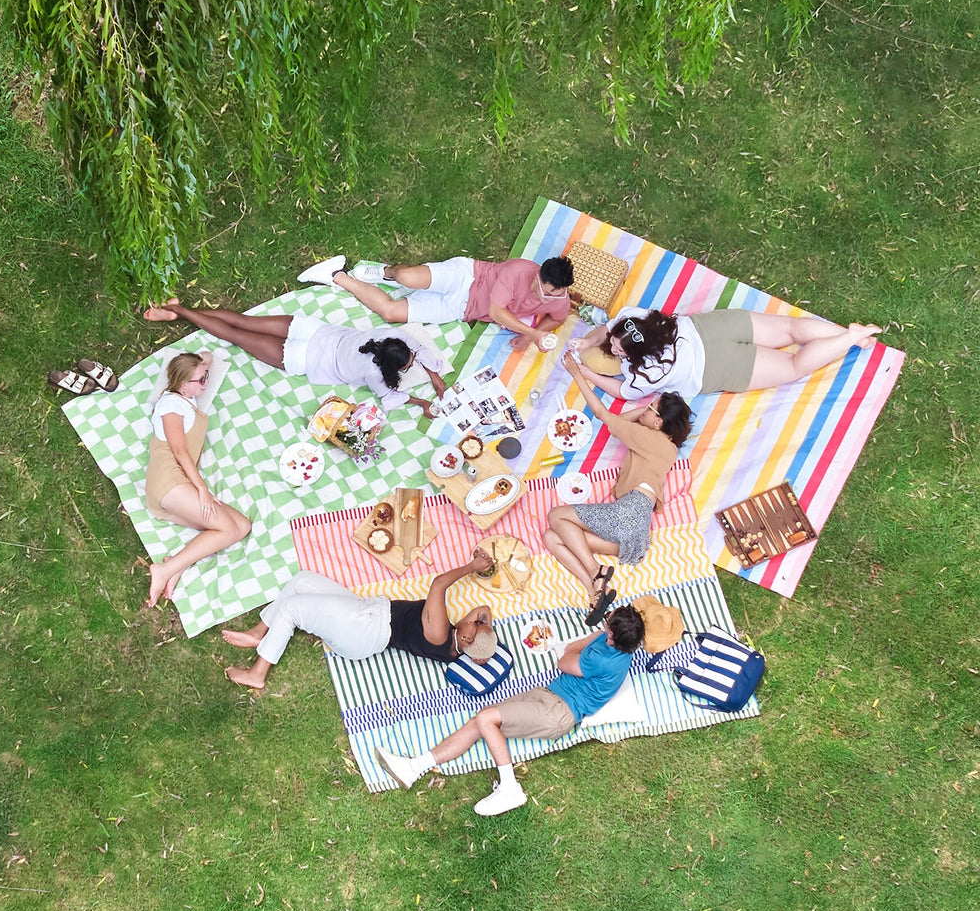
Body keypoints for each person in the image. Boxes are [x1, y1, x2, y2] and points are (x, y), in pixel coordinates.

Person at [375, 605, 644, 817]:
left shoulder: (602, 660)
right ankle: (413, 767)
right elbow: (574, 654)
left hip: (560, 712)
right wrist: (593, 640)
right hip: (548, 695)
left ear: (611, 636)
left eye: (607, 623)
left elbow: (564, 659)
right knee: (479, 723)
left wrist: (588, 641)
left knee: (485, 718)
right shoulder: (621, 648)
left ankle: (510, 788)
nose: (604, 621)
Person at [543, 352, 693, 623]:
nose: (645, 410)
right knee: (552, 538)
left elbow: (605, 415)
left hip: (628, 514)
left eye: (651, 409)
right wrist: (651, 413)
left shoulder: (647, 436)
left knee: (556, 515)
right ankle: (595, 590)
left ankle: (596, 570)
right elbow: (625, 420)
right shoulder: (668, 447)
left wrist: (577, 373)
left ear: (659, 423)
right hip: (636, 537)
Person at [221, 551, 499, 689]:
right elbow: (484, 609)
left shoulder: (439, 633)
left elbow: (439, 584)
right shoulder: (455, 647)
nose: (476, 617)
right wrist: (482, 646)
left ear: (467, 638)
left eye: (475, 625)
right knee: (302, 581)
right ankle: (260, 631)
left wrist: (472, 567)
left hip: (363, 629)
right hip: (367, 615)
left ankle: (257, 673)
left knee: (292, 609)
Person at [143, 299, 447, 417]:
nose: (412, 361)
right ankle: (180, 312)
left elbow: (413, 347)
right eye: (408, 365)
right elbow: (392, 398)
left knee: (242, 321)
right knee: (235, 335)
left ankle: (177, 310)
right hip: (302, 358)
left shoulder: (386, 338)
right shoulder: (377, 375)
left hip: (311, 330)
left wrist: (436, 378)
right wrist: (422, 402)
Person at [569, 306, 883, 401]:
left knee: (794, 366)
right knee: (790, 328)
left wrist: (587, 373)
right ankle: (849, 334)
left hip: (720, 367)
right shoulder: (633, 319)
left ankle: (850, 338)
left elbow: (623, 392)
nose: (611, 346)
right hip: (716, 327)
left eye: (618, 349)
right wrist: (586, 342)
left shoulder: (646, 373)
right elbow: (611, 328)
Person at [144, 352, 252, 606]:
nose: (206, 383)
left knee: (241, 526)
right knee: (226, 529)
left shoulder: (185, 398)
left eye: (205, 378)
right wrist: (202, 488)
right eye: (201, 380)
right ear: (183, 385)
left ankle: (175, 565)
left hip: (180, 482)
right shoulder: (171, 405)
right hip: (169, 480)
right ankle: (163, 571)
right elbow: (179, 451)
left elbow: (208, 357)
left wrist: (198, 365)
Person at [298, 254, 574, 352]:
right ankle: (386, 273)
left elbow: (557, 318)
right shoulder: (518, 270)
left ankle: (336, 275)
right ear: (537, 272)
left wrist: (528, 339)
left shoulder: (559, 300)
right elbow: (495, 311)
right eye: (537, 285)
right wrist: (533, 333)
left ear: (559, 290)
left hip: (460, 309)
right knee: (406, 276)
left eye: (546, 292)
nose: (538, 293)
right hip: (465, 276)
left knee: (391, 312)